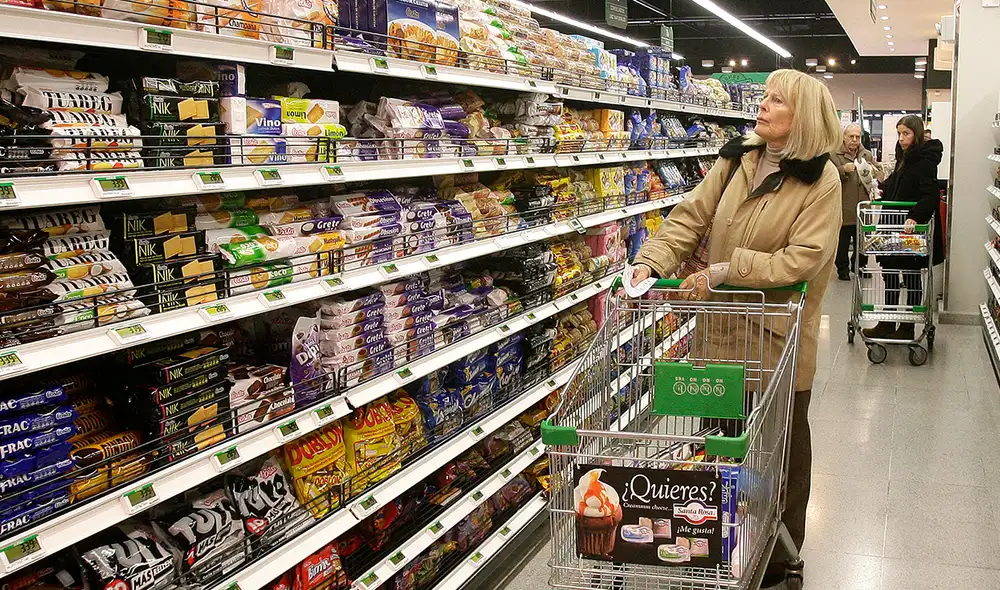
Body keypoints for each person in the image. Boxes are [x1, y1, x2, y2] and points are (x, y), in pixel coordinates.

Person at [629, 69, 843, 587]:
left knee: (779, 452)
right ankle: (717, 541)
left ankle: (779, 556)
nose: (763, 106)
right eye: (764, 97)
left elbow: (805, 259)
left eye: (776, 100)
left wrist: (727, 270)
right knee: (721, 444)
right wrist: (651, 262)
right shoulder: (734, 159)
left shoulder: (821, 180)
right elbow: (690, 216)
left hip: (776, 339)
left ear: (804, 118)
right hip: (721, 333)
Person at [862, 115, 944, 341]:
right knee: (889, 274)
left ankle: (908, 326)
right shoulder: (903, 158)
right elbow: (898, 186)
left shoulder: (924, 160)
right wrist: (879, 188)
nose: (901, 138)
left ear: (916, 134)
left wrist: (915, 217)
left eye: (906, 133)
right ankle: (887, 322)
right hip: (892, 228)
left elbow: (930, 196)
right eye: (899, 133)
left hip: (910, 233)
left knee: (911, 276)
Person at [830, 123, 883, 281]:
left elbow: (880, 172)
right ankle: (843, 269)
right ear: (844, 137)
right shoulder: (834, 155)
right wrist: (842, 170)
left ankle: (859, 266)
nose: (854, 140)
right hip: (844, 205)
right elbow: (826, 176)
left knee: (864, 238)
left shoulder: (866, 154)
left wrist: (876, 174)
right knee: (843, 241)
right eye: (851, 136)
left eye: (857, 137)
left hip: (864, 206)